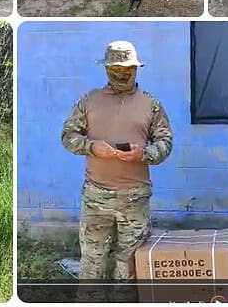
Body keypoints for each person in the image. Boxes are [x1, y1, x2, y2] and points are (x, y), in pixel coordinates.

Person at [61, 41, 173, 281]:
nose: (122, 75)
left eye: (127, 70)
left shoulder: (151, 105)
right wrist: (92, 147)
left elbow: (166, 143)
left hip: (134, 198)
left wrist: (143, 153)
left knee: (130, 264)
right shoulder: (89, 101)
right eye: (116, 70)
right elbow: (68, 136)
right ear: (106, 70)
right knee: (92, 261)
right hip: (96, 197)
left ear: (136, 69)